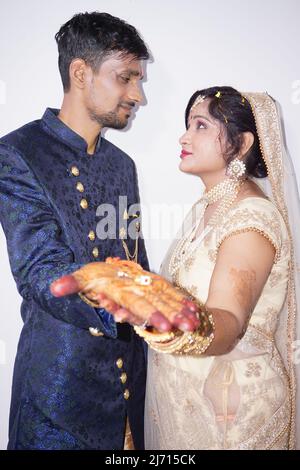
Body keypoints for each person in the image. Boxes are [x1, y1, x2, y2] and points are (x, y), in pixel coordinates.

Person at [53, 87, 300, 450]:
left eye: (200, 126)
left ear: (243, 142)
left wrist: (174, 322)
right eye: (188, 125)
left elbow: (229, 322)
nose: (184, 137)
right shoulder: (209, 207)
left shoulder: (251, 219)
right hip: (190, 406)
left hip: (233, 421)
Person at [0, 11, 151, 450]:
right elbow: (40, 271)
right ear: (80, 72)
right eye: (126, 78)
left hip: (127, 391)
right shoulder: (17, 154)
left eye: (138, 80)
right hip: (59, 399)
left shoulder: (122, 165)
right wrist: (126, 303)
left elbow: (135, 261)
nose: (138, 95)